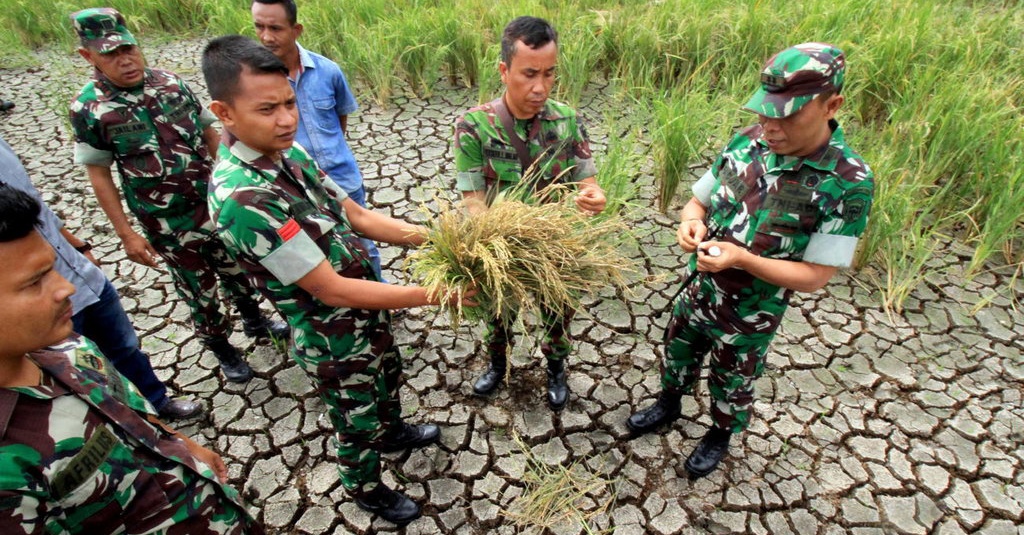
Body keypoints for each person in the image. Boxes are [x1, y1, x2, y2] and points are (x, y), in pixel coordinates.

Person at [201, 35, 474, 525]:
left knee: (388, 378)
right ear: (224, 112)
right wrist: (437, 295)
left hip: (367, 310)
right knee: (355, 416)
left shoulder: (290, 157)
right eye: (268, 109)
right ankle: (365, 486)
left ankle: (393, 434)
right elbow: (329, 289)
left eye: (289, 103)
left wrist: (439, 239)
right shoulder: (244, 198)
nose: (287, 119)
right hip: (332, 336)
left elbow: (357, 216)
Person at [626, 43, 875, 479]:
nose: (771, 127)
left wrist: (743, 260)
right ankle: (668, 405)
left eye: (787, 116)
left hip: (751, 314)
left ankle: (719, 434)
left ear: (831, 105)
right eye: (766, 112)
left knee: (732, 379)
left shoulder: (848, 182)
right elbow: (696, 203)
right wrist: (691, 224)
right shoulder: (747, 141)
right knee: (678, 354)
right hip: (698, 290)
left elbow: (815, 276)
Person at [0, 186, 263, 534]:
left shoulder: (68, 347)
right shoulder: (8, 469)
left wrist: (182, 447)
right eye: (35, 282)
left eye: (53, 268)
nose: (66, 288)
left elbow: (128, 414)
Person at [68, 7, 288, 384]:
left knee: (238, 268)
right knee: (198, 289)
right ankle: (222, 347)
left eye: (129, 49)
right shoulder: (90, 109)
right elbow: (100, 174)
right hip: (168, 222)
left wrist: (234, 183)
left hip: (214, 204)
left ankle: (255, 320)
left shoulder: (171, 84)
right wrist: (126, 233)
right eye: (110, 54)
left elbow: (211, 135)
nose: (125, 61)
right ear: (88, 56)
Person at [452, 16, 606, 411]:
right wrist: (498, 243)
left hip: (556, 245)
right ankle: (497, 362)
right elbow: (473, 199)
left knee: (557, 309)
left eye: (550, 74)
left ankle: (555, 366)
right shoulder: (474, 125)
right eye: (529, 74)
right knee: (498, 311)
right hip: (500, 245)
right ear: (504, 71)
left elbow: (588, 182)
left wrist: (592, 198)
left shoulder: (568, 120)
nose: (540, 87)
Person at [0, 136, 201, 420]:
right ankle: (122, 420)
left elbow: (37, 207)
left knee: (125, 348)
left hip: (81, 275)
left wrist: (77, 246)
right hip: (41, 306)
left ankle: (154, 405)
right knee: (73, 372)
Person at [249, 0, 384, 279]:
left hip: (343, 177)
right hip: (295, 189)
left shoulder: (328, 71)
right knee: (320, 254)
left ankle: (380, 296)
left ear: (296, 29)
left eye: (275, 28)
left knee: (364, 247)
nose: (266, 37)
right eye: (259, 27)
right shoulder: (255, 83)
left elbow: (340, 118)